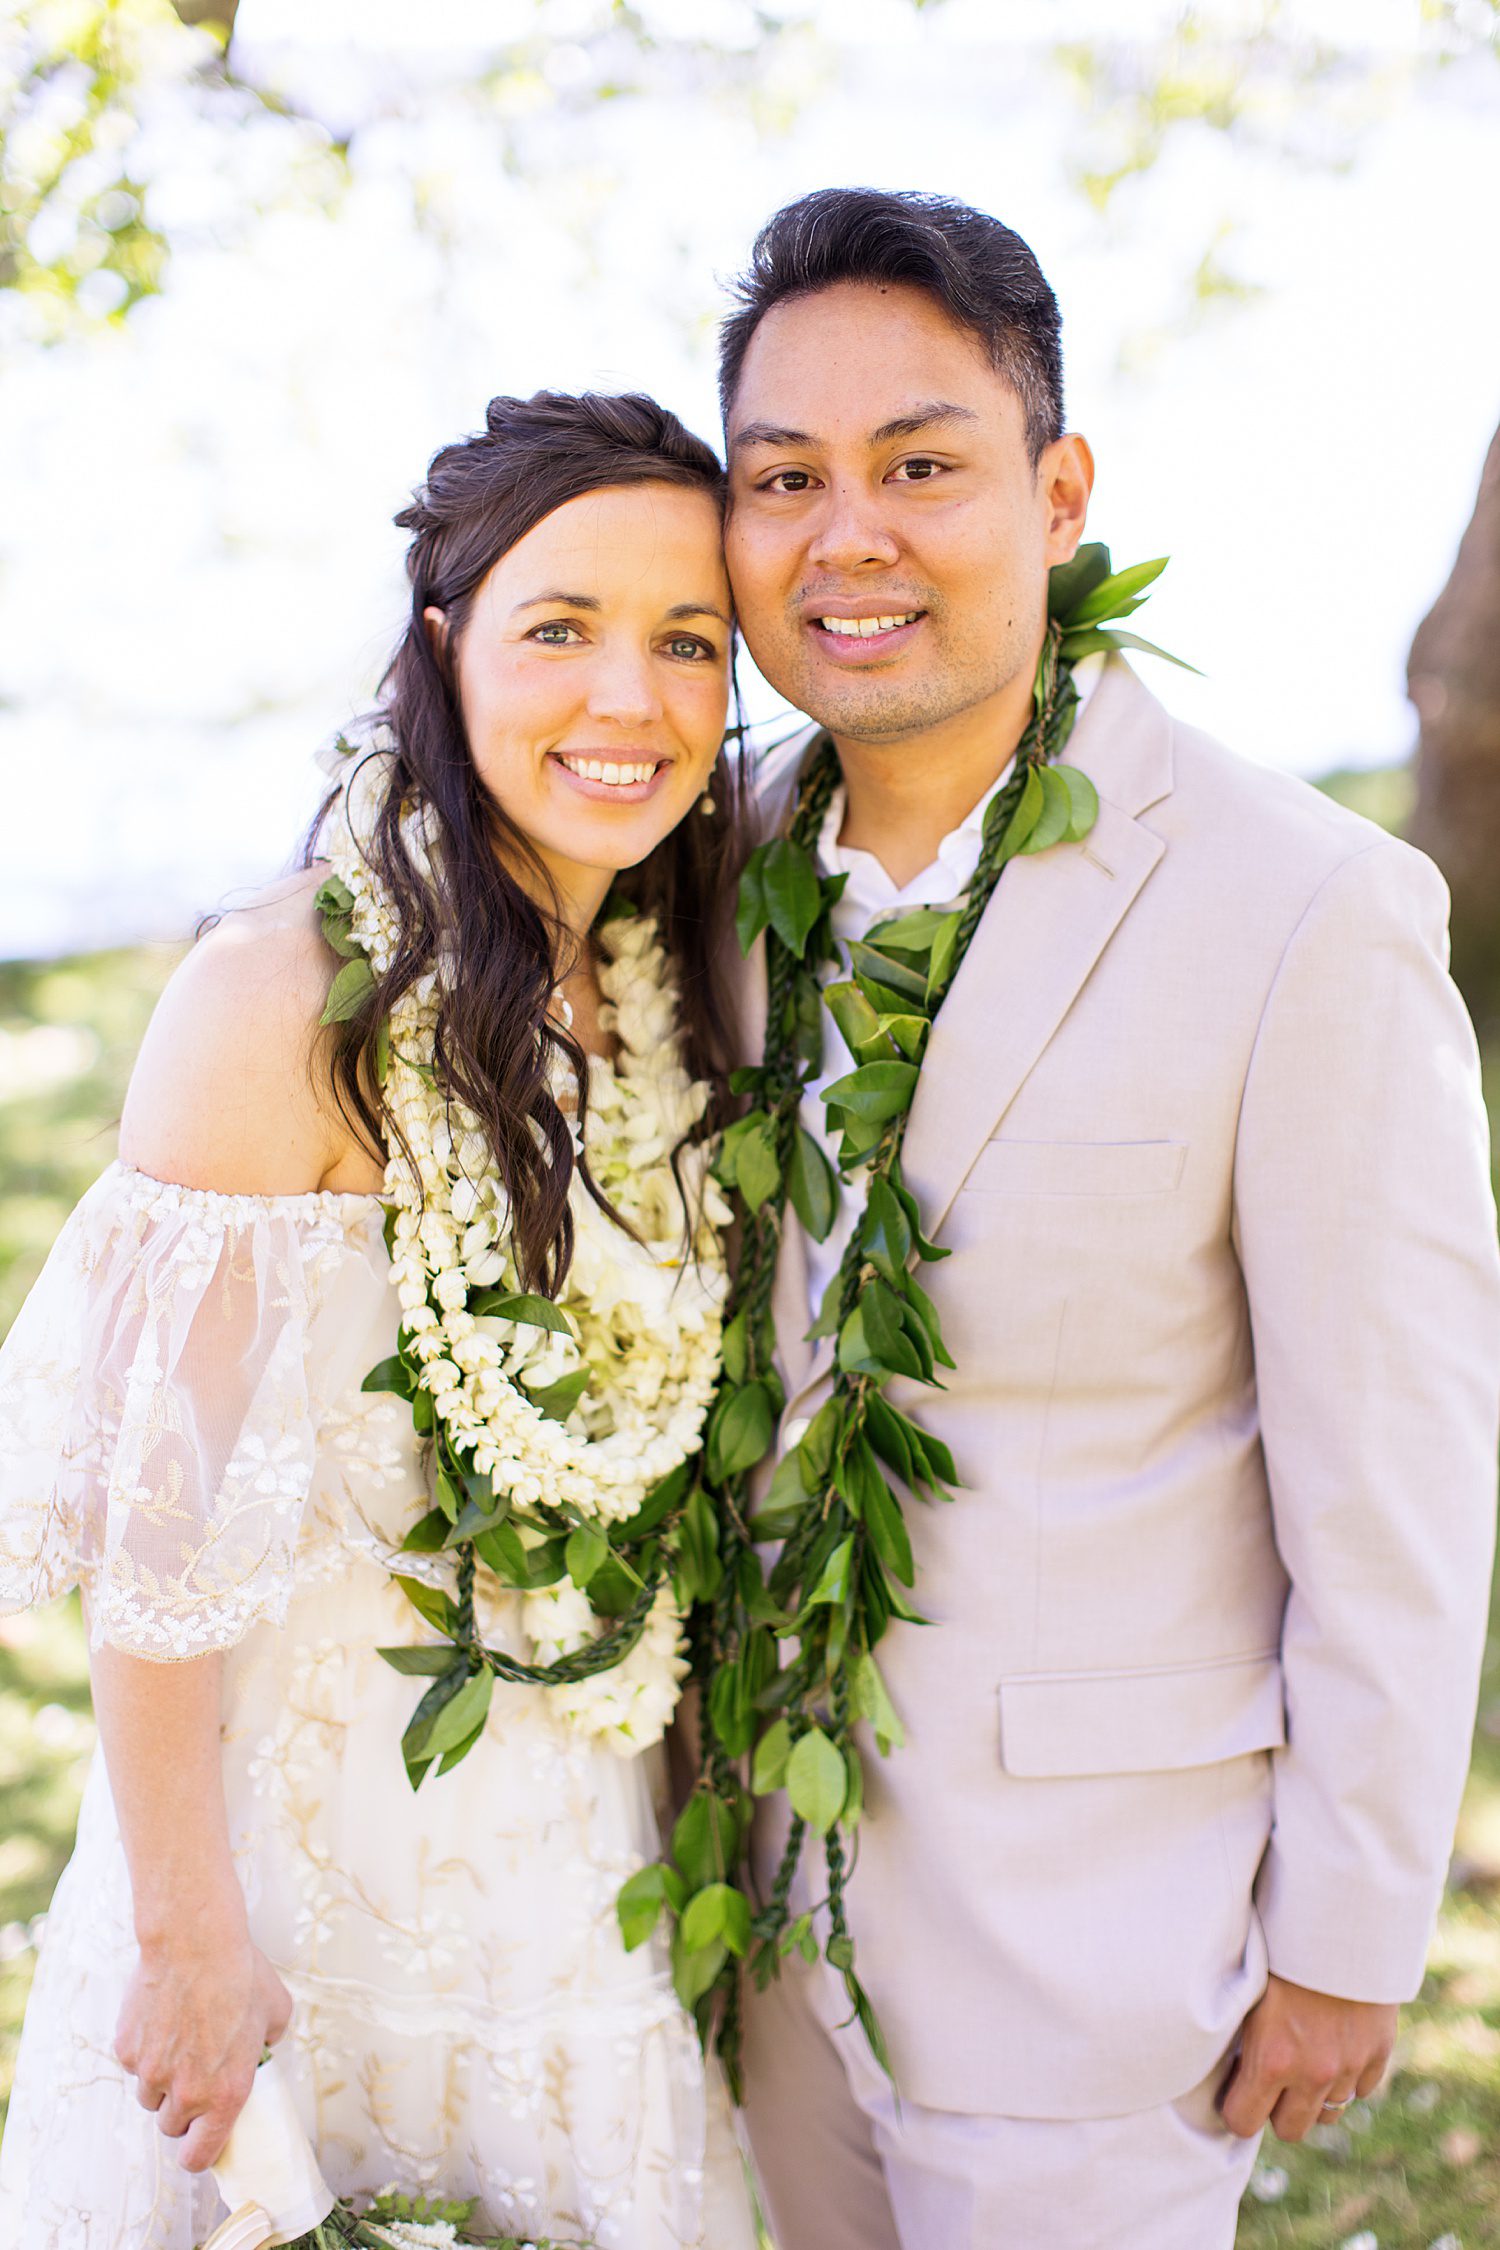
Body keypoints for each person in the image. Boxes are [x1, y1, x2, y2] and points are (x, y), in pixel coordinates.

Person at [715, 187, 1500, 2250]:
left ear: (1057, 493)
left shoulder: (1306, 910)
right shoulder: (695, 881)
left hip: (1105, 1963)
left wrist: (1350, 1927)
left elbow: (1396, 1478)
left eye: (921, 467)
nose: (845, 536)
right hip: (732, 1941)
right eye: (781, 478)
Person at [0, 391, 761, 2250]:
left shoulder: (667, 968)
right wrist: (192, 1939)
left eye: (689, 642)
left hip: (580, 1849)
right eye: (560, 627)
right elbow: (157, 1542)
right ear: (445, 645)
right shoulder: (288, 996)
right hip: (286, 1883)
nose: (627, 699)